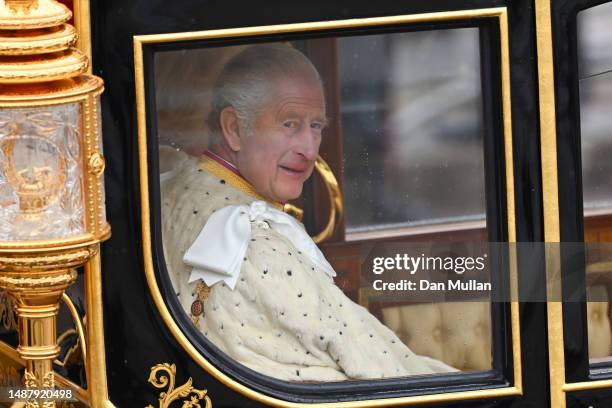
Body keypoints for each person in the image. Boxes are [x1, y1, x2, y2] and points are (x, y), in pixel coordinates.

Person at [161, 44, 455, 381]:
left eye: (316, 126)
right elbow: (380, 370)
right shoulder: (261, 248)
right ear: (233, 127)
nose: (310, 149)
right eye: (290, 124)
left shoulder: (173, 185)